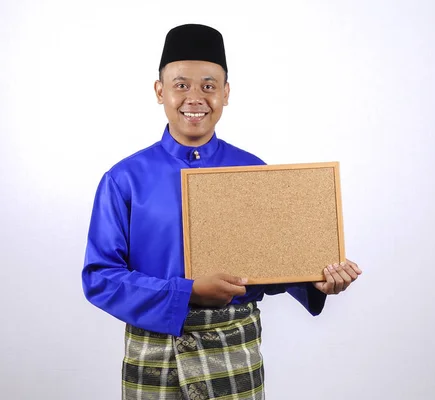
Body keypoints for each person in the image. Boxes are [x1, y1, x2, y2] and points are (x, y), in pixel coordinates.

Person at [82, 23, 362, 400]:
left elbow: (272, 262)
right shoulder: (123, 179)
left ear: (226, 93)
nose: (195, 97)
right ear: (159, 91)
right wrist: (187, 292)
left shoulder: (253, 171)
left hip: (235, 352)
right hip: (154, 355)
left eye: (209, 85)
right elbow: (100, 278)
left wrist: (317, 279)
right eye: (181, 84)